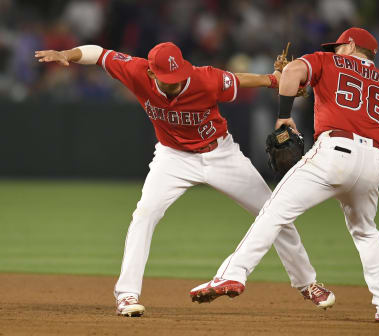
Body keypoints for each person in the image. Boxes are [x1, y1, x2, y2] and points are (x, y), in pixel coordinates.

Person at [190, 27, 379, 324]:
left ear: (352, 45)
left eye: (339, 46)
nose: (335, 50)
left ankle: (232, 276)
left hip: (334, 151)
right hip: (372, 162)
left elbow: (291, 71)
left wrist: (284, 114)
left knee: (274, 212)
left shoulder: (326, 61)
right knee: (366, 232)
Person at [34, 42, 324, 317]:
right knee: (144, 215)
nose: (174, 81)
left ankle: (307, 283)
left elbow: (237, 79)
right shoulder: (136, 71)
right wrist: (67, 54)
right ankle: (127, 295)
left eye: (177, 75)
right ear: (150, 72)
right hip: (173, 158)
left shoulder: (203, 78)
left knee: (273, 213)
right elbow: (99, 54)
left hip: (221, 154)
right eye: (167, 78)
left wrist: (274, 80)